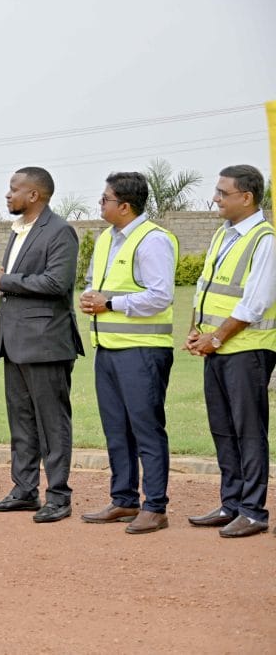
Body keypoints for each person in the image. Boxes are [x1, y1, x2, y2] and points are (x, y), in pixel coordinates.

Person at [0, 167, 83, 523]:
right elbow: (18, 284)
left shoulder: (59, 231)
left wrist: (5, 279)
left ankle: (58, 496)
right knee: (21, 422)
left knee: (52, 423)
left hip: (46, 342)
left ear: (34, 195)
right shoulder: (18, 230)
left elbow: (57, 283)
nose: (8, 195)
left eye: (14, 189)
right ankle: (24, 491)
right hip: (15, 341)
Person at [78, 172, 177, 534]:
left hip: (143, 352)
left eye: (105, 199)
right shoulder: (106, 238)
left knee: (146, 429)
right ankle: (123, 500)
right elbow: (95, 284)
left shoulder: (153, 240)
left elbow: (160, 296)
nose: (100, 204)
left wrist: (110, 303)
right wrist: (90, 297)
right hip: (108, 349)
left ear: (124, 205)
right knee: (116, 429)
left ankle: (155, 507)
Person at [184, 164, 276, 538]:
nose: (216, 198)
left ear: (247, 197)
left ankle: (253, 510)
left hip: (247, 350)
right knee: (223, 429)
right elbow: (204, 286)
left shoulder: (265, 240)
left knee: (248, 431)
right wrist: (195, 330)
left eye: (223, 193)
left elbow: (255, 303)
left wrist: (217, 338)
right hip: (217, 348)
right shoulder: (224, 234)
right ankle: (231, 503)